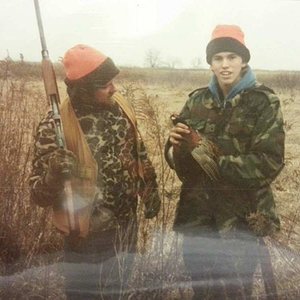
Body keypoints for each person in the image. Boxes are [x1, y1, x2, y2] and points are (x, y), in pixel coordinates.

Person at [30, 44, 160, 299]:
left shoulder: (119, 108)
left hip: (126, 228)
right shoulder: (55, 127)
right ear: (85, 90)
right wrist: (53, 175)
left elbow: (138, 151)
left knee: (119, 292)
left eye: (114, 81)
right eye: (106, 85)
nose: (115, 88)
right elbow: (37, 195)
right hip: (85, 238)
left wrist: (150, 189)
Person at [165, 25, 285, 299]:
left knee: (235, 291)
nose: (225, 65)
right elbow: (179, 162)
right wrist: (175, 147)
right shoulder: (197, 100)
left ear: (244, 60)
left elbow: (269, 162)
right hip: (197, 218)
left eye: (232, 57)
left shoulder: (264, 102)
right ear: (210, 64)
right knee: (202, 290)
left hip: (240, 220)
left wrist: (210, 159)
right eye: (218, 58)